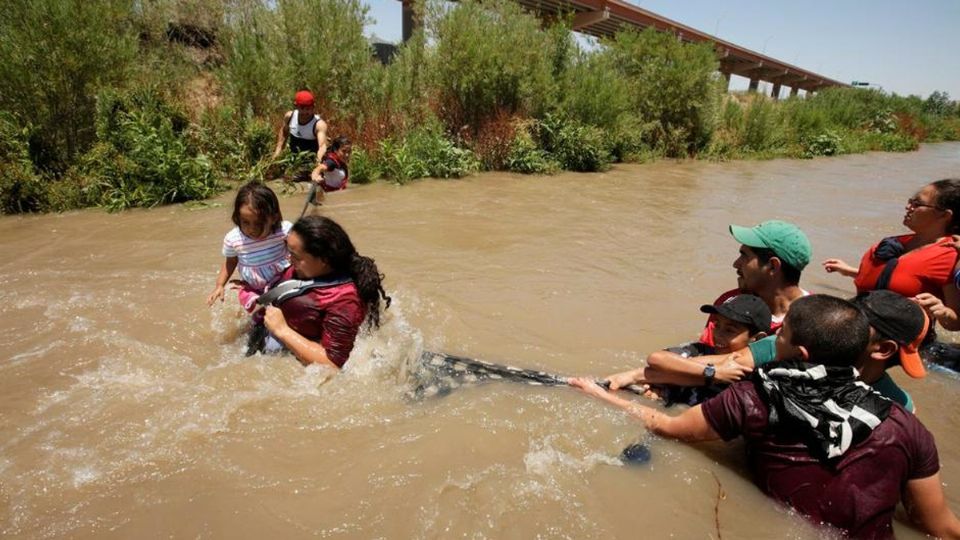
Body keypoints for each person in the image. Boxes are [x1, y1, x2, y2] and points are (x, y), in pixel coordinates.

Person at [571, 295, 960, 538]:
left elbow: (668, 427)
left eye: (783, 336)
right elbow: (939, 527)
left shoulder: (754, 398)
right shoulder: (908, 425)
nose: (773, 342)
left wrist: (598, 393)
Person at [606, 221, 811, 391]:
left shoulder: (814, 321)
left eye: (745, 256)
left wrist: (641, 375)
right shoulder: (730, 302)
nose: (736, 264)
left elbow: (730, 364)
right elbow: (709, 356)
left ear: (772, 266)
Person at [823, 179, 960, 349]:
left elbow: (955, 323)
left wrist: (942, 311)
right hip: (856, 333)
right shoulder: (894, 244)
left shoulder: (951, 255)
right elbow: (892, 279)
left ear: (944, 215)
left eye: (917, 204)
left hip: (899, 347)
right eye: (910, 201)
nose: (908, 207)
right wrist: (850, 271)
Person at [260, 215, 391, 368]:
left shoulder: (345, 300)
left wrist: (282, 330)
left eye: (295, 256)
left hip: (294, 353)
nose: (289, 259)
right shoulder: (308, 269)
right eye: (288, 251)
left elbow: (332, 363)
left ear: (323, 260)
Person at [610, 295, 770, 405]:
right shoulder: (700, 350)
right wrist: (713, 372)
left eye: (729, 330)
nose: (718, 335)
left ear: (757, 339)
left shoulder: (759, 376)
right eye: (717, 325)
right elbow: (657, 358)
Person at [206, 182, 291, 316]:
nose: (252, 229)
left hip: (281, 280)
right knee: (255, 312)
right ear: (237, 218)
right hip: (253, 287)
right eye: (245, 222)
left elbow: (300, 250)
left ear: (274, 218)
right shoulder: (233, 239)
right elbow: (230, 262)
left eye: (259, 223)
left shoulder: (283, 231)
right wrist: (219, 285)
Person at [271, 90, 328, 164]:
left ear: (313, 107)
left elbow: (322, 147)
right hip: (292, 160)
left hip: (310, 163)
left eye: (308, 109)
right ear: (296, 106)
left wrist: (317, 165)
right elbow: (284, 133)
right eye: (302, 109)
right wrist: (278, 151)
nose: (305, 112)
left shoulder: (319, 125)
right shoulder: (289, 117)